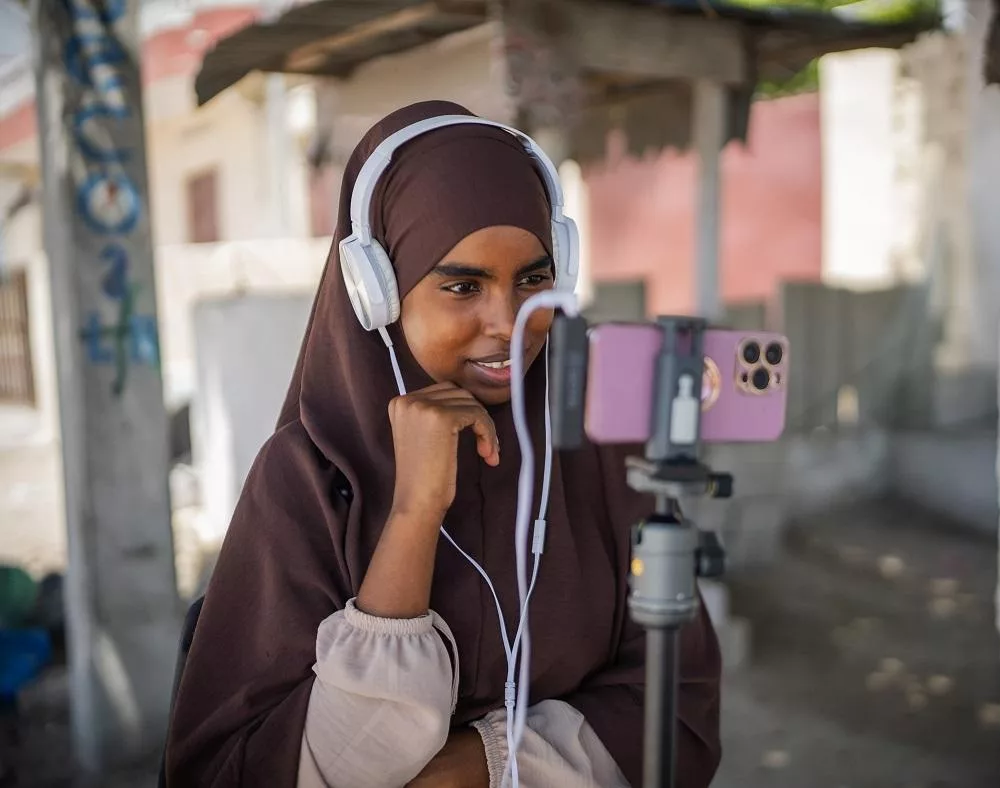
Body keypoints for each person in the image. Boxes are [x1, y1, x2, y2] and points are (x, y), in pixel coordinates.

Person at [164, 100, 722, 788]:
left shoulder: (602, 447)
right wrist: (413, 512)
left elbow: (679, 705)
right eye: (463, 285)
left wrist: (483, 768)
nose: (508, 324)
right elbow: (239, 769)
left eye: (533, 280)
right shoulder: (306, 481)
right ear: (379, 292)